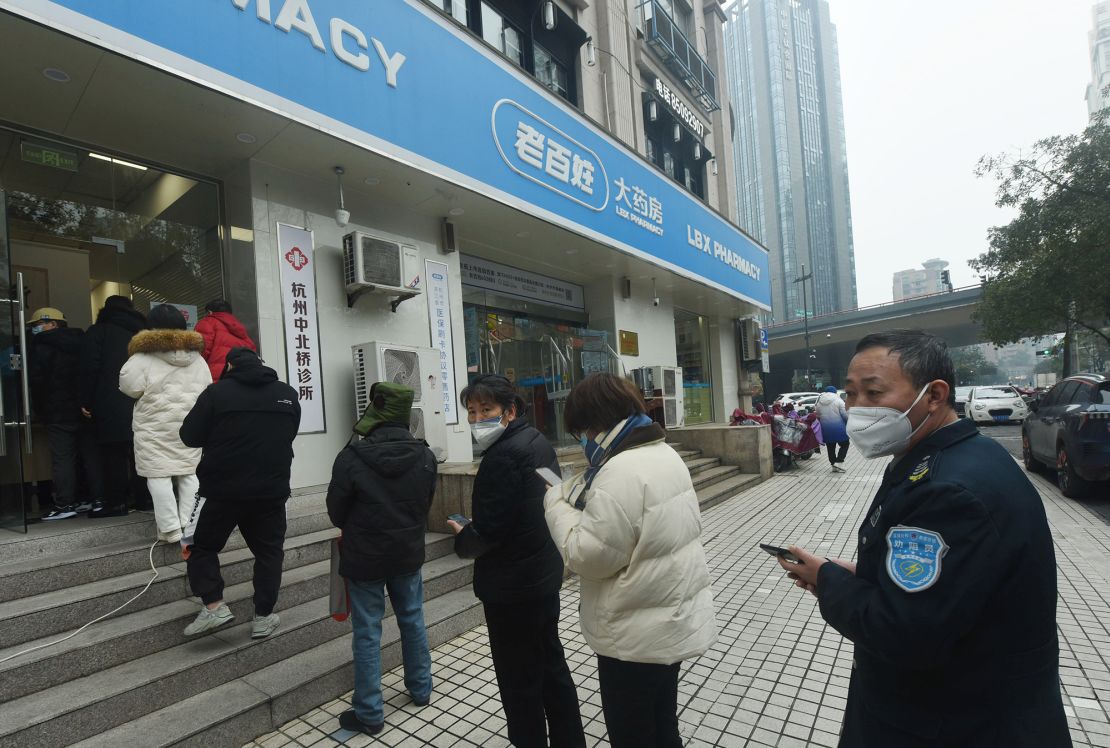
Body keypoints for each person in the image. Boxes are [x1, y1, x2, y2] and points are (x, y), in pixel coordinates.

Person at [775, 330, 1068, 747]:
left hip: (953, 724)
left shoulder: (949, 491)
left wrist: (829, 581)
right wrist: (865, 574)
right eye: (851, 394)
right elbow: (954, 588)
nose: (857, 409)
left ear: (934, 395)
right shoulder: (959, 457)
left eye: (874, 393)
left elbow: (903, 632)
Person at [544, 373, 716, 748]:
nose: (584, 438)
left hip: (633, 635)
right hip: (669, 617)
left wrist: (556, 502)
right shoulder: (663, 453)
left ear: (598, 420)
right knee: (662, 723)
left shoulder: (619, 470)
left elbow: (587, 557)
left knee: (632, 734)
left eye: (584, 429)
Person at [447, 374, 585, 748]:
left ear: (510, 411)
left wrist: (464, 537)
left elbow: (488, 534)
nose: (477, 420)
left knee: (519, 683)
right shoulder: (536, 440)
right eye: (472, 412)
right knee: (551, 668)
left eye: (486, 410)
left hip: (512, 590)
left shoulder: (503, 456)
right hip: (541, 575)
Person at [326, 382, 437, 736]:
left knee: (368, 631)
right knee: (413, 619)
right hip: (407, 553)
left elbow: (336, 513)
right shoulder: (425, 455)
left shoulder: (350, 458)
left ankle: (370, 712)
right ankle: (420, 690)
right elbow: (425, 504)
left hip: (365, 558)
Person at [179, 347, 300, 639]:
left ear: (229, 366)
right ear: (262, 363)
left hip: (221, 490)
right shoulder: (287, 394)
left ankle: (214, 605)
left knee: (197, 545)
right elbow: (289, 432)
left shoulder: (216, 394)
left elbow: (189, 436)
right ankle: (264, 616)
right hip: (271, 492)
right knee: (269, 553)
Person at [119, 305, 211, 543]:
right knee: (189, 473)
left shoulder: (142, 357)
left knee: (158, 475)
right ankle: (190, 524)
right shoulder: (197, 358)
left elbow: (130, 388)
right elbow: (208, 389)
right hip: (190, 425)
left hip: (153, 425)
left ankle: (170, 529)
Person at [26, 307, 102, 519]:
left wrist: (39, 411)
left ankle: (65, 505)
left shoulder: (40, 346)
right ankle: (95, 499)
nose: (35, 329)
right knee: (91, 456)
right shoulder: (84, 341)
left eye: (37, 324)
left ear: (53, 324)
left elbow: (37, 383)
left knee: (63, 459)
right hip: (84, 409)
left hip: (57, 411)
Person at [79, 295, 147, 517]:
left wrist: (86, 401)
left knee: (113, 455)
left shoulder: (98, 332)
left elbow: (89, 368)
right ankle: (145, 500)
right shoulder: (144, 334)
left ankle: (116, 503)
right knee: (141, 453)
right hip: (142, 400)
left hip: (110, 402)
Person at [194, 299, 256, 382]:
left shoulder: (207, 323)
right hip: (240, 380)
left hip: (214, 380)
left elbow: (200, 353)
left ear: (209, 312)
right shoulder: (241, 329)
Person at [815, 385, 850, 472]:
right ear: (835, 392)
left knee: (830, 447)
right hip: (839, 427)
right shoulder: (839, 401)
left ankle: (833, 464)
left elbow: (818, 415)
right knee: (845, 444)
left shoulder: (819, 403)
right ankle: (839, 461)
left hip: (825, 428)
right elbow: (845, 415)